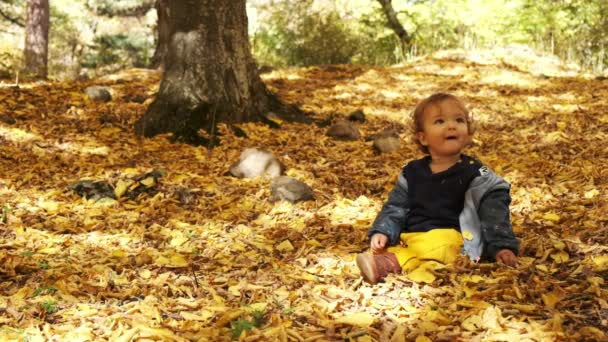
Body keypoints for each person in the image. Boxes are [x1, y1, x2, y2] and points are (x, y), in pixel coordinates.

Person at [356, 93, 519, 284]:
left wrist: (502, 245)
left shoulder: (476, 173)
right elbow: (395, 207)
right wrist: (382, 231)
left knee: (440, 245)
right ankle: (390, 260)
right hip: (413, 236)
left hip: (455, 238)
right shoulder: (411, 172)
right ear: (423, 138)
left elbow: (495, 209)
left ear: (468, 132)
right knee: (395, 247)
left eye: (459, 120)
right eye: (440, 121)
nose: (451, 126)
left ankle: (389, 264)